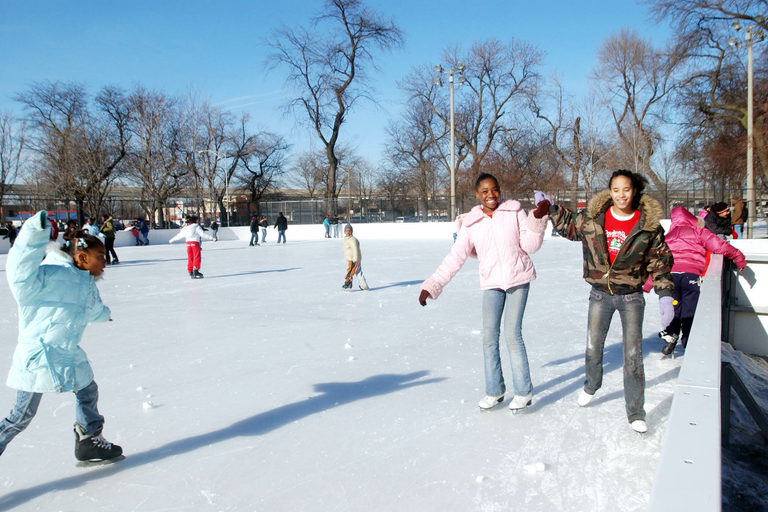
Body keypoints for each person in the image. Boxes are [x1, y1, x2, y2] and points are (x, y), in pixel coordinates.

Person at [548, 169, 674, 434]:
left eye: (626, 190)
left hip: (631, 297)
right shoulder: (594, 218)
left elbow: (659, 261)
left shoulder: (647, 225)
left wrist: (664, 293)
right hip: (599, 294)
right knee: (593, 347)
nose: (621, 195)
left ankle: (636, 412)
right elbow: (571, 226)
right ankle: (591, 385)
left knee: (633, 355)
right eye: (616, 190)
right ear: (610, 191)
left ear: (634, 190)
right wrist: (551, 208)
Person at [419, 173, 549, 412]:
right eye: (485, 191)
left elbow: (530, 245)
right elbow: (455, 257)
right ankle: (495, 391)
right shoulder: (471, 222)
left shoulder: (514, 211)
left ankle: (523, 392)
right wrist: (433, 284)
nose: (491, 195)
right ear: (477, 195)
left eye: (495, 189)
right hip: (492, 283)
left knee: (512, 335)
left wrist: (537, 220)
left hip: (518, 279)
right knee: (489, 338)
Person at [0, 213, 122, 462]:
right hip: (39, 356)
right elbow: (19, 272)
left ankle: (88, 440)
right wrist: (35, 232)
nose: (104, 262)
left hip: (68, 353)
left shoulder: (86, 282)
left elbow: (93, 308)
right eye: (100, 257)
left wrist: (104, 314)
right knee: (20, 417)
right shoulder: (47, 274)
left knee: (88, 391)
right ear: (82, 257)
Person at [656, 206, 746, 355]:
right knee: (690, 308)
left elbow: (657, 258)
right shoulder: (699, 232)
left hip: (671, 276)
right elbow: (720, 246)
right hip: (690, 276)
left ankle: (671, 335)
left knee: (674, 306)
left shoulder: (668, 236)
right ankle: (689, 340)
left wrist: (648, 282)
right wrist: (738, 257)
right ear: (691, 219)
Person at [342, 224, 369, 291]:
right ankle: (364, 286)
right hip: (354, 258)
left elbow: (355, 250)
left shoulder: (352, 240)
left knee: (350, 271)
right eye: (346, 230)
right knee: (358, 272)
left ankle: (348, 282)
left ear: (352, 231)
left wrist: (355, 259)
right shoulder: (348, 239)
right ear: (344, 231)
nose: (348, 232)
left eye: (349, 230)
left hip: (353, 259)